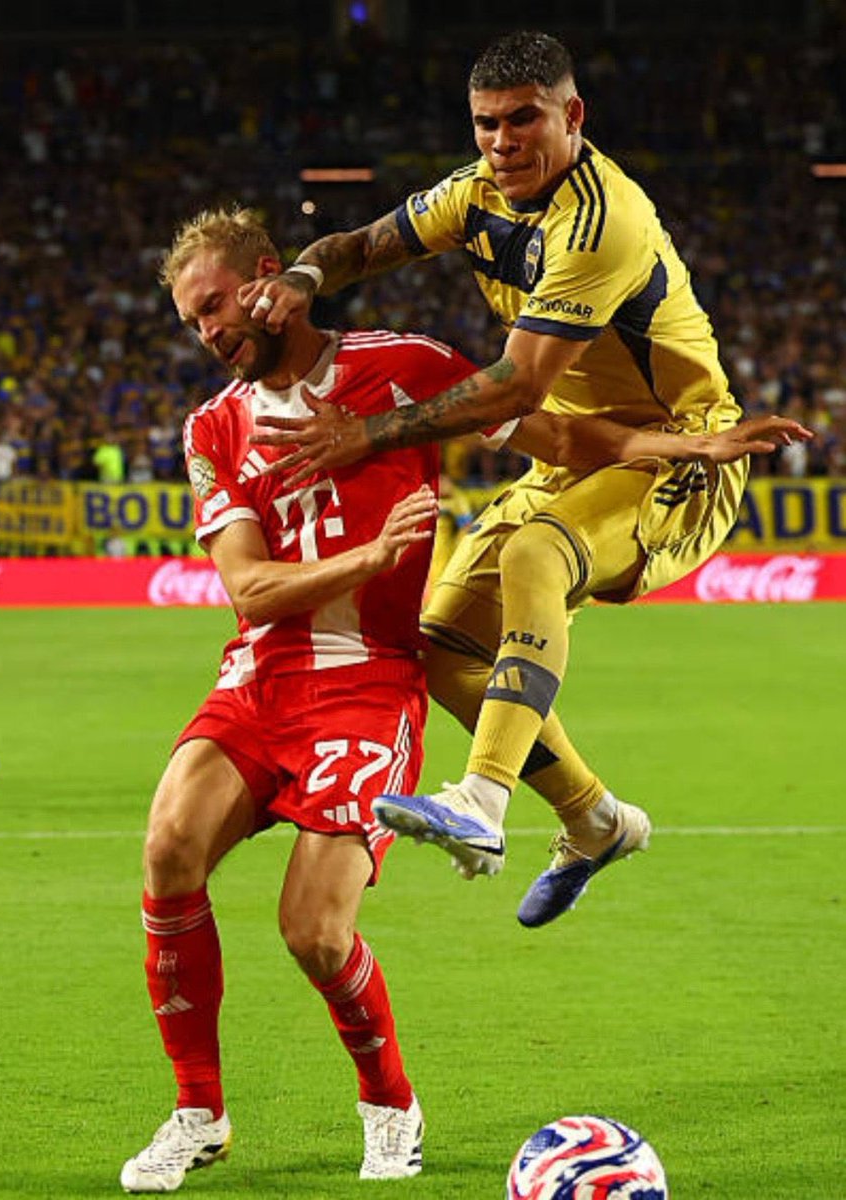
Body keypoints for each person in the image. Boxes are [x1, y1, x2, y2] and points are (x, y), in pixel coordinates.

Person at [237, 30, 813, 928]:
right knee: (442, 647)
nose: (500, 143)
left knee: (538, 553)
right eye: (484, 125)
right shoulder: (475, 193)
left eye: (521, 121)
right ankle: (595, 821)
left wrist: (370, 435)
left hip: (680, 453)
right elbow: (361, 243)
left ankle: (481, 803)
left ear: (570, 115)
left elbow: (515, 385)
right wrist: (309, 272)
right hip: (572, 455)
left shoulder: (600, 220)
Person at [119, 205, 484, 1192]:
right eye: (191, 322)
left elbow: (534, 414)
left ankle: (389, 1107)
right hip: (260, 681)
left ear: (267, 278)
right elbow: (245, 589)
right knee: (166, 848)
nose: (206, 333)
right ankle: (197, 1111)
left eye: (213, 308)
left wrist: (668, 449)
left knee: (315, 933)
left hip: (369, 687)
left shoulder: (407, 362)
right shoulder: (214, 427)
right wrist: (370, 554)